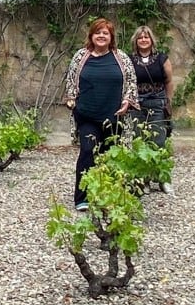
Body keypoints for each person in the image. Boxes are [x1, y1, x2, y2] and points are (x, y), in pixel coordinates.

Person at [63, 18, 138, 211]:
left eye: (105, 33)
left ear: (111, 37)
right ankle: (82, 198)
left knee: (111, 155)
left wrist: (127, 101)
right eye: (98, 32)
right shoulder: (81, 57)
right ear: (91, 35)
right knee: (88, 151)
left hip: (114, 117)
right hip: (87, 116)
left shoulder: (121, 58)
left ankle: (109, 194)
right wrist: (72, 100)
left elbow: (131, 82)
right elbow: (71, 80)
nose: (101, 36)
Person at [129, 25, 175, 193]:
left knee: (159, 141)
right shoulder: (130, 59)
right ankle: (144, 180)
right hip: (137, 104)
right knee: (139, 142)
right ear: (136, 40)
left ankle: (163, 179)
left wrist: (168, 101)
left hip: (157, 102)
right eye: (140, 37)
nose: (143, 40)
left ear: (151, 40)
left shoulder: (162, 58)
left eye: (146, 37)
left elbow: (169, 81)